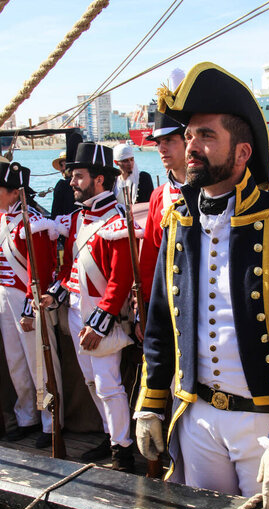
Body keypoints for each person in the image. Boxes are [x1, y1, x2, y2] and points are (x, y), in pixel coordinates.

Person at [134, 62, 269, 509]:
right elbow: (162, 321)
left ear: (242, 153)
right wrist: (152, 401)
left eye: (205, 136)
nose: (191, 148)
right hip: (196, 417)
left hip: (265, 422)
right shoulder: (177, 219)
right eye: (189, 137)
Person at [39, 142, 136, 472]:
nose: (71, 182)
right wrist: (56, 293)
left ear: (99, 180)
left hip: (101, 315)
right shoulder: (80, 218)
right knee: (93, 383)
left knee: (109, 384)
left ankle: (122, 449)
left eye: (78, 176)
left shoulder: (116, 219)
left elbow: (120, 280)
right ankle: (111, 436)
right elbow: (70, 269)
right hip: (77, 309)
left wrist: (99, 323)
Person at [0, 161, 63, 447]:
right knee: (16, 362)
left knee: (40, 364)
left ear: (14, 193)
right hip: (5, 297)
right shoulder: (4, 219)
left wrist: (29, 308)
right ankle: (26, 416)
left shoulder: (32, 222)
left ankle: (51, 422)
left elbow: (42, 271)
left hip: (27, 299)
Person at [134, 111, 186, 343]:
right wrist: (144, 308)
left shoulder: (214, 191)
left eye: (170, 141)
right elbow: (150, 257)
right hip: (168, 300)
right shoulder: (159, 195)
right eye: (159, 143)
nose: (162, 149)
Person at [51, 150, 75, 219]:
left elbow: (55, 215)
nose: (63, 168)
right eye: (61, 165)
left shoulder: (62, 185)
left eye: (66, 165)